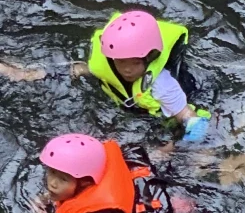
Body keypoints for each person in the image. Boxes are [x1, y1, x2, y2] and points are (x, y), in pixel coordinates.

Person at [0, 9, 209, 140]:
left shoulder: (162, 84)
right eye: (121, 62)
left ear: (150, 57)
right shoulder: (105, 65)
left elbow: (186, 118)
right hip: (128, 106)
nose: (127, 70)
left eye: (135, 63)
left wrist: (180, 140)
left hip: (157, 116)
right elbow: (76, 69)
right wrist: (26, 74)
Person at [33, 132, 168, 213]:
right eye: (52, 172)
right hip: (141, 182)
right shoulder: (96, 168)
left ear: (84, 183)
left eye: (63, 179)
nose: (52, 183)